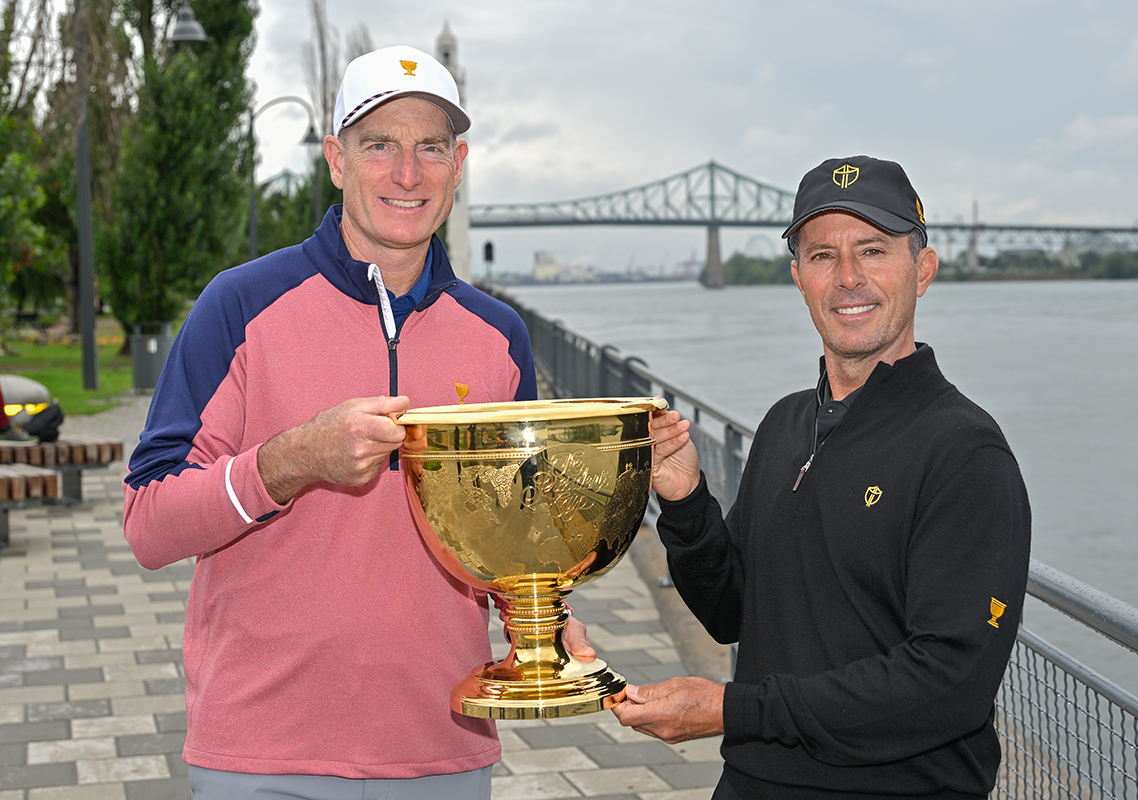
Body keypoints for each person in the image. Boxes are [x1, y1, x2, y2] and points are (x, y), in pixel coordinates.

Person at [123, 45, 594, 799]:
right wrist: (288, 462)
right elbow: (148, 523)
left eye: (429, 148)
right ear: (336, 160)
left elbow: (513, 533)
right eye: (380, 145)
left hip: (443, 745)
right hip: (261, 755)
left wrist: (539, 615)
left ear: (459, 162)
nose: (407, 174)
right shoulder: (238, 305)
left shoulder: (501, 334)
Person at [613, 155, 1032, 799]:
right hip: (752, 783)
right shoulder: (785, 423)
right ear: (797, 277)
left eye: (873, 250)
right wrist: (687, 501)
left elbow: (950, 683)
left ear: (923, 271)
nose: (848, 278)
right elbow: (733, 612)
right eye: (821, 256)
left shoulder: (965, 451)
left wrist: (731, 711)